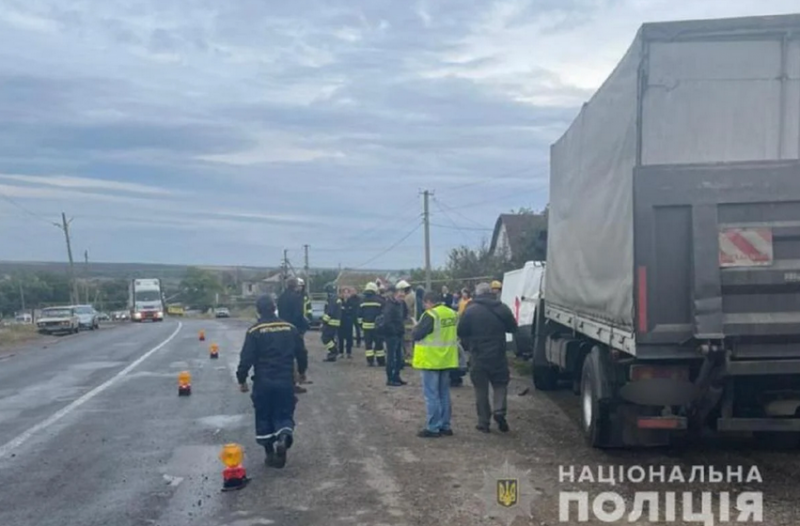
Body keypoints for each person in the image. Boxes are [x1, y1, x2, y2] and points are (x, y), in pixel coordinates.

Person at [236, 294, 308, 468]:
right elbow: (301, 352)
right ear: (274, 308)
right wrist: (302, 372)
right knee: (284, 413)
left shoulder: (254, 331)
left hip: (263, 381)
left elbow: (246, 358)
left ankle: (269, 454)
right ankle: (283, 438)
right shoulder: (290, 328)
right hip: (285, 380)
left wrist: (242, 379)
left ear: (258, 310)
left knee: (264, 415)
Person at [457, 282, 518, 433]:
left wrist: (469, 344)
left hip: (478, 354)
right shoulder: (502, 308)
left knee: (481, 389)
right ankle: (499, 411)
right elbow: (513, 328)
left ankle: (483, 422)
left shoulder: (470, 310)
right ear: (491, 292)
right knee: (500, 384)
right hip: (498, 353)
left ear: (477, 293)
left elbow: (461, 331)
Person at [412, 291, 459, 438]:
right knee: (444, 394)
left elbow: (417, 334)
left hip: (431, 360)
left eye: (425, 304)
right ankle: (445, 426)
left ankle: (433, 427)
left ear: (428, 302)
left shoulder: (430, 315)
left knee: (431, 395)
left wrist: (415, 326)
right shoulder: (452, 313)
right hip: (447, 358)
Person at [277, 277, 309, 394]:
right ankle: (300, 377)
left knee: (286, 356)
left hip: (282, 328)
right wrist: (303, 328)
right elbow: (298, 315)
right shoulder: (296, 298)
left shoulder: (281, 297)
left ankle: (286, 381)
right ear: (295, 286)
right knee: (301, 354)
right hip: (294, 329)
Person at [380, 284, 407, 386]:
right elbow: (387, 321)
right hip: (391, 335)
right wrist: (394, 331)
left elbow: (404, 315)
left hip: (399, 333)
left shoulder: (401, 304)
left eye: (403, 295)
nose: (402, 297)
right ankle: (390, 378)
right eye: (400, 295)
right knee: (391, 357)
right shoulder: (389, 305)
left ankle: (396, 376)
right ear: (395, 295)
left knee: (399, 357)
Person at [358, 282, 385, 366]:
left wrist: (360, 325)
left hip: (366, 327)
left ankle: (370, 361)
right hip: (377, 327)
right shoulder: (380, 300)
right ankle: (381, 361)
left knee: (368, 345)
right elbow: (384, 314)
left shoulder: (362, 301)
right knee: (379, 344)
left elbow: (359, 315)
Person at [397, 280, 416, 367]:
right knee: (407, 341)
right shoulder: (412, 295)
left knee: (407, 341)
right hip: (409, 322)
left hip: (408, 322)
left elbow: (404, 308)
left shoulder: (409, 297)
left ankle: (409, 358)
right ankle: (408, 358)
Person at [321, 283, 342, 362]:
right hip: (335, 323)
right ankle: (332, 356)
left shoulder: (332, 299)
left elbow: (330, 312)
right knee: (331, 339)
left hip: (330, 323)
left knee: (325, 338)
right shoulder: (336, 298)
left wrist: (324, 321)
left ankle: (334, 351)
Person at [338, 286, 357, 359]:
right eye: (344, 293)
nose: (346, 294)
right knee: (340, 338)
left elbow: (353, 311)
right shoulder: (339, 301)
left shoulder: (352, 301)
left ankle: (349, 353)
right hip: (341, 322)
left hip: (349, 322)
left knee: (349, 338)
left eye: (347, 293)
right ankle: (341, 352)